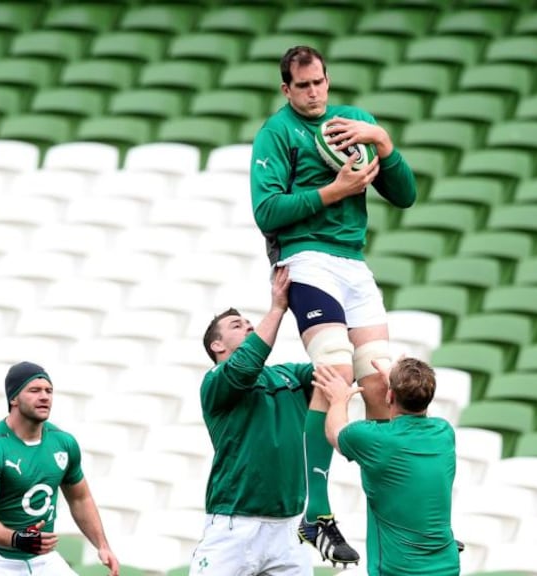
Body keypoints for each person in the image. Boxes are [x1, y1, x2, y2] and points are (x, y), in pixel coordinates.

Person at [249, 45, 419, 559]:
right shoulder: (276, 134)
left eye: (319, 82)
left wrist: (384, 143)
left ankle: (392, 514)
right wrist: (334, 190)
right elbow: (267, 210)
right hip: (307, 260)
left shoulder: (356, 122)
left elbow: (405, 194)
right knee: (335, 375)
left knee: (384, 386)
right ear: (286, 89)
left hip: (353, 264)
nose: (314, 92)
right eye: (302, 86)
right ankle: (316, 514)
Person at [192, 266, 357, 576]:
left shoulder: (288, 374)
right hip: (234, 524)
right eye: (237, 325)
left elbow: (335, 369)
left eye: (249, 323)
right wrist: (278, 308)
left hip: (289, 526)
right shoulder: (216, 381)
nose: (249, 327)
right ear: (217, 345)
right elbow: (247, 363)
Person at [0, 361, 120, 576]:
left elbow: (80, 498)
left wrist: (102, 545)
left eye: (49, 391)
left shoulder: (64, 443)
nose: (45, 397)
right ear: (13, 398)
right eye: (34, 390)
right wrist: (17, 539)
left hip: (41, 559)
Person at [313, 358, 459, 576]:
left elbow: (334, 432)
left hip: (398, 571)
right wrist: (402, 384)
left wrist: (338, 400)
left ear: (390, 395)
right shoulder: (444, 432)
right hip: (448, 567)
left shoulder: (373, 438)